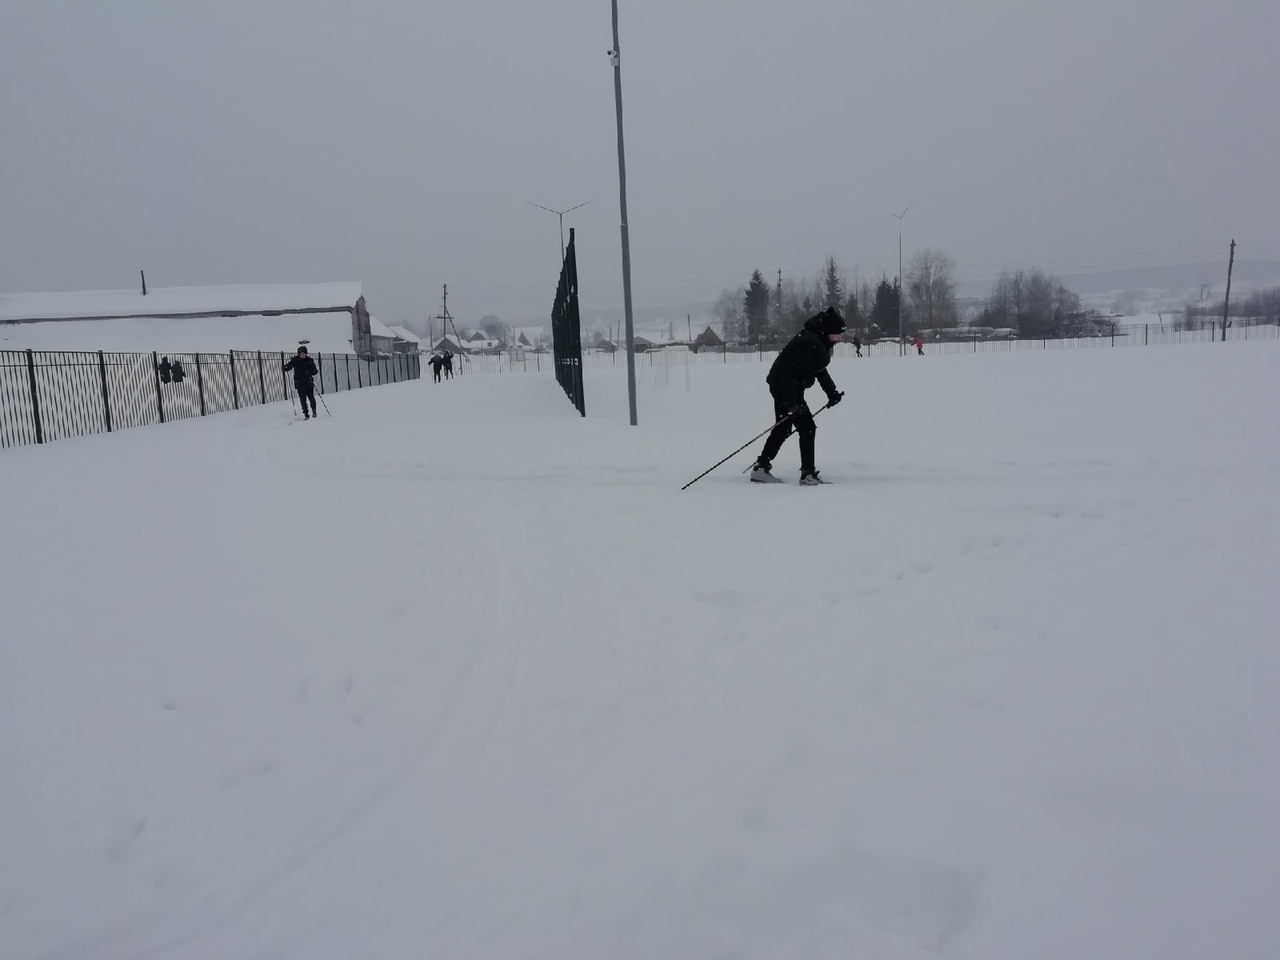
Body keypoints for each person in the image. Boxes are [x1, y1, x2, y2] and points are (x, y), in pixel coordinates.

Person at [750, 307, 845, 485]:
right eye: (837, 334)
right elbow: (789, 374)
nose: (839, 339)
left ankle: (761, 467)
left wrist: (831, 393)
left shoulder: (819, 341)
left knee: (785, 426)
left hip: (789, 387)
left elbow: (819, 369)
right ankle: (807, 474)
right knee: (807, 427)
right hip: (784, 387)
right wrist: (791, 404)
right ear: (827, 331)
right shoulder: (810, 343)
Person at [283, 345, 319, 419]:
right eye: (301, 354)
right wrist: (285, 367)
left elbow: (315, 371)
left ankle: (314, 411)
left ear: (306, 353)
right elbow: (289, 367)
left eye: (303, 354)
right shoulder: (295, 360)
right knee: (302, 399)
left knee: (311, 397)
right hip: (299, 383)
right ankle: (306, 414)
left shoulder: (309, 360)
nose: (302, 355)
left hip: (308, 382)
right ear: (298, 354)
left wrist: (310, 372)